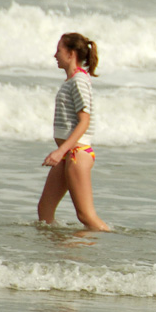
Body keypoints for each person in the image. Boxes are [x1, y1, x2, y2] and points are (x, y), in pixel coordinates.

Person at [37, 33, 111, 232]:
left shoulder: (79, 81)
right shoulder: (72, 81)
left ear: (71, 54)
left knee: (86, 215)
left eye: (59, 50)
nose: (55, 55)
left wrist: (60, 152)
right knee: (44, 211)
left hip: (77, 154)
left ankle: (110, 245)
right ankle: (55, 256)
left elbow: (84, 122)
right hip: (67, 155)